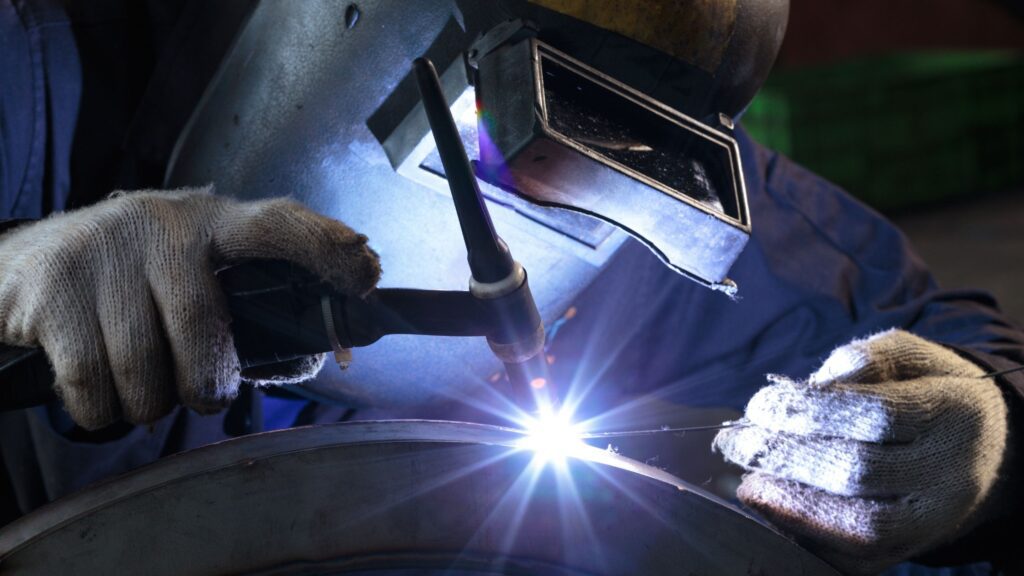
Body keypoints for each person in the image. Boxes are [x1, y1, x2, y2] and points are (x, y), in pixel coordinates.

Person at [1, 1, 1022, 574]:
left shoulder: (674, 200)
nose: (545, 198)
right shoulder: (33, 66)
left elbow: (936, 357)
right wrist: (13, 272)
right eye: (499, 125)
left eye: (612, 145)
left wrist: (978, 434)